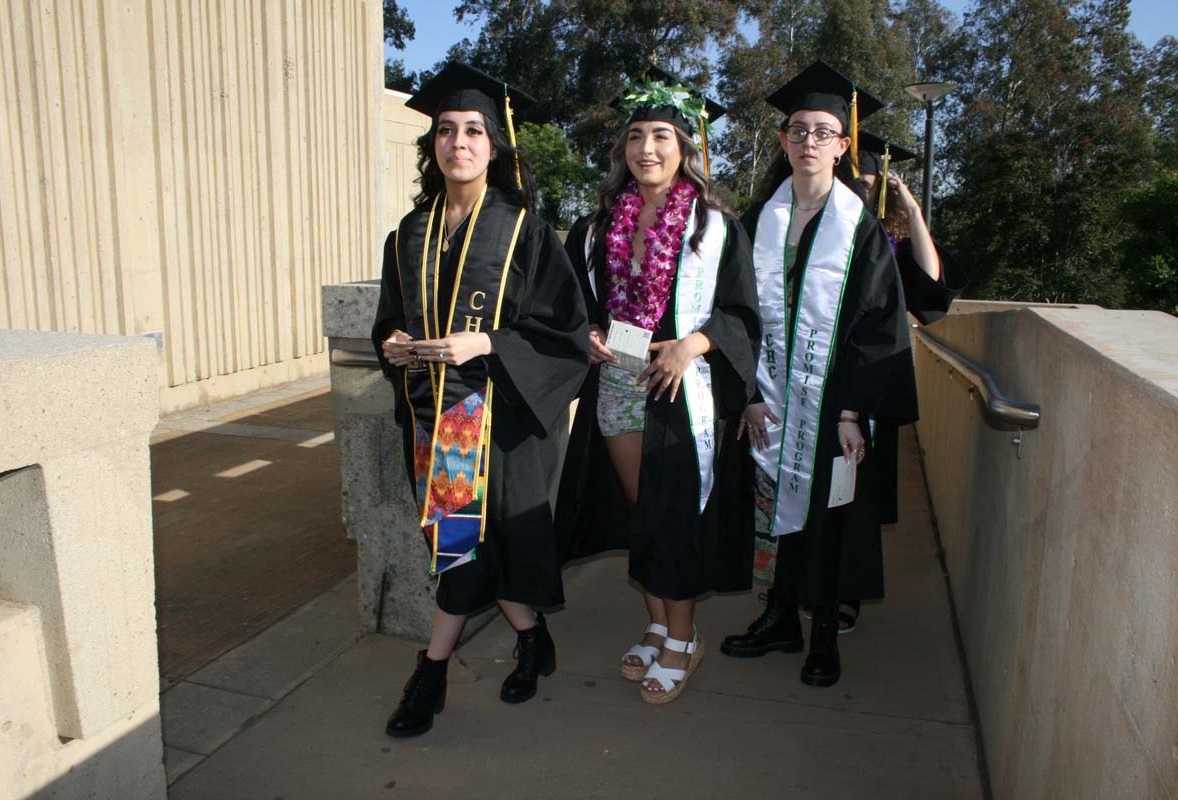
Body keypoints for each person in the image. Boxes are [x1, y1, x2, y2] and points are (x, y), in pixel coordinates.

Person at [371, 62, 589, 737]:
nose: (457, 142)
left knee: (489, 549)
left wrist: (484, 343)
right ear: (431, 145)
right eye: (445, 130)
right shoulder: (407, 236)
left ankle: (441, 671)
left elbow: (565, 332)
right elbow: (387, 320)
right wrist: (396, 344)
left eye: (473, 130)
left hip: (504, 421)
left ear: (495, 146)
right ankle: (512, 647)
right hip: (440, 424)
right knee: (463, 549)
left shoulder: (527, 232)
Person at [554, 69, 760, 704]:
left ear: (684, 147)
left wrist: (693, 343)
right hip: (616, 382)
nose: (648, 148)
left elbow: (741, 312)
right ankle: (656, 621)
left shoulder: (715, 227)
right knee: (640, 512)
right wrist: (585, 332)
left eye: (662, 136)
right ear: (622, 149)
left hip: (681, 389)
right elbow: (572, 306)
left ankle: (683, 638)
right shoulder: (593, 230)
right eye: (636, 136)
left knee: (671, 516)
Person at [718, 61, 918, 687]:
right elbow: (736, 314)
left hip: (837, 404)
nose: (809, 141)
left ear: (842, 144)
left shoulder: (860, 228)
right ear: (782, 141)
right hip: (772, 397)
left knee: (833, 517)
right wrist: (747, 394)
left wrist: (856, 410)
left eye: (823, 131)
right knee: (774, 507)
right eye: (798, 130)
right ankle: (779, 617)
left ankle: (824, 634)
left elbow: (881, 323)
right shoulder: (757, 222)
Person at [818, 132, 969, 633]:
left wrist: (911, 208)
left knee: (853, 493)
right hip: (814, 373)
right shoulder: (821, 231)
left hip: (869, 377)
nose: (860, 190)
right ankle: (796, 585)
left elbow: (930, 290)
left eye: (869, 183)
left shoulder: (891, 240)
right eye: (852, 182)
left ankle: (846, 593)